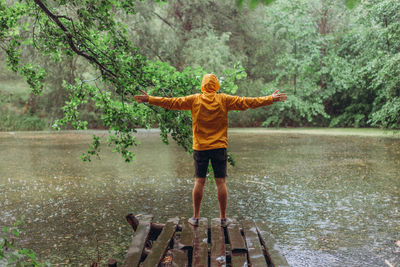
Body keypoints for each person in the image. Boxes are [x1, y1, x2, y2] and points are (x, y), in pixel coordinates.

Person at [134, 73, 287, 227]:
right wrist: (270, 98)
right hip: (219, 147)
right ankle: (222, 218)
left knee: (199, 181)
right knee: (220, 182)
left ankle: (195, 217)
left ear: (203, 85)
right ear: (216, 86)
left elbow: (171, 103)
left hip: (200, 148)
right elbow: (248, 102)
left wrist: (149, 99)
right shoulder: (224, 99)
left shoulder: (194, 99)